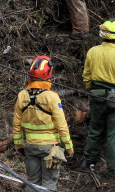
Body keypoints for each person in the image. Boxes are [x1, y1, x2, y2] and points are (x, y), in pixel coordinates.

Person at [81, 19, 115, 179]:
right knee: (114, 134)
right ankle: (114, 171)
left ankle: (89, 161)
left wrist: (89, 90)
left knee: (95, 130)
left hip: (97, 96)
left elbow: (87, 76)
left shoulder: (92, 52)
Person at [13, 55, 73, 192]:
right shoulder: (52, 96)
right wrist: (69, 147)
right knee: (49, 183)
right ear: (49, 74)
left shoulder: (22, 95)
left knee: (32, 182)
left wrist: (18, 145)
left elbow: (16, 124)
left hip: (30, 146)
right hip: (50, 148)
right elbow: (61, 125)